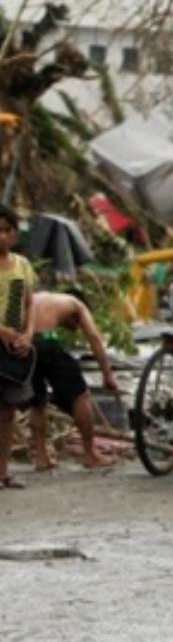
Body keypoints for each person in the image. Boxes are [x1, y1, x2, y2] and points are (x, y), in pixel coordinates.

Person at [27, 291, 120, 470]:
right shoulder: (76, 304)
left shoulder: (42, 297)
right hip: (45, 341)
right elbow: (94, 338)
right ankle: (90, 454)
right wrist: (107, 374)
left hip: (23, 344)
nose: (75, 328)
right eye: (75, 325)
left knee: (37, 403)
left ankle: (41, 458)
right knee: (81, 396)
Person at [0, 205, 35, 489]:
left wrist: (27, 334)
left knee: (8, 411)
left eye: (5, 230)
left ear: (13, 234)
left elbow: (29, 302)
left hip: (13, 348)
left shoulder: (22, 265)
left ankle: (2, 471)